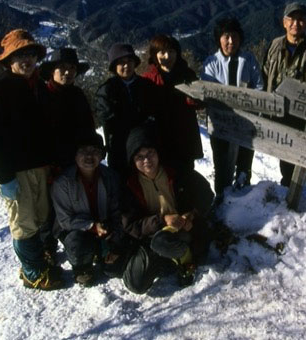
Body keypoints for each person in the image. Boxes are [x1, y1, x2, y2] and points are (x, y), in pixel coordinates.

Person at [0, 29, 62, 290]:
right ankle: (32, 270)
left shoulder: (39, 89)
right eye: (19, 55)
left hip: (40, 167)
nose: (26, 60)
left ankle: (41, 257)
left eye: (30, 54)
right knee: (23, 222)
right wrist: (4, 177)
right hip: (16, 171)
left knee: (40, 217)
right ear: (8, 61)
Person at [120, 126, 215, 294]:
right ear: (133, 161)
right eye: (140, 157)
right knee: (136, 284)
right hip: (152, 238)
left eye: (150, 153)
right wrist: (162, 220)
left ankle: (185, 258)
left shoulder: (177, 171)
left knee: (165, 242)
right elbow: (131, 226)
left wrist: (191, 215)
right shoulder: (130, 186)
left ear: (158, 153)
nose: (147, 160)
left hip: (184, 232)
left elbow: (206, 193)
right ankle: (170, 259)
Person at [262, 2, 306, 208]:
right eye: (291, 19)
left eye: (300, 19)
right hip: (281, 115)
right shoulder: (275, 46)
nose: (296, 24)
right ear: (284, 22)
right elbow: (266, 73)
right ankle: (287, 192)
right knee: (286, 159)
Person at [50, 132, 138, 287]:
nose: (89, 157)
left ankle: (103, 254)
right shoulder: (63, 183)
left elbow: (117, 212)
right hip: (75, 231)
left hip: (105, 228)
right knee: (77, 243)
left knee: (115, 270)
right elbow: (65, 220)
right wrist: (92, 226)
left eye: (94, 152)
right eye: (84, 151)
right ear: (75, 155)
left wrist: (115, 240)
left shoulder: (111, 177)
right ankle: (82, 268)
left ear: (101, 154)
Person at [201, 17, 263, 198]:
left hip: (246, 124)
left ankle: (243, 203)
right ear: (218, 39)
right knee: (221, 167)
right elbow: (208, 95)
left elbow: (259, 88)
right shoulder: (211, 63)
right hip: (220, 126)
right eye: (226, 37)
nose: (230, 41)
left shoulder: (249, 59)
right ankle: (221, 200)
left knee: (244, 166)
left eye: (234, 37)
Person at [142, 34, 203, 175]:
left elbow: (201, 102)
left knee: (186, 175)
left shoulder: (187, 74)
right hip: (160, 137)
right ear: (154, 54)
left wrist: (193, 99)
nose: (167, 56)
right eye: (162, 52)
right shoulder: (148, 80)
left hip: (184, 137)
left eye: (171, 51)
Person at [95, 43, 158, 175]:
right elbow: (108, 119)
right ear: (114, 66)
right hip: (120, 151)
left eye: (130, 61)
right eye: (121, 62)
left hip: (145, 150)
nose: (126, 66)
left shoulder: (147, 86)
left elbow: (155, 114)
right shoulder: (106, 90)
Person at [39, 48, 95, 170]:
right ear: (52, 71)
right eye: (62, 67)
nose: (67, 72)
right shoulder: (42, 95)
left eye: (72, 68)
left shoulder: (78, 94)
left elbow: (89, 127)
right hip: (51, 165)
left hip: (79, 163)